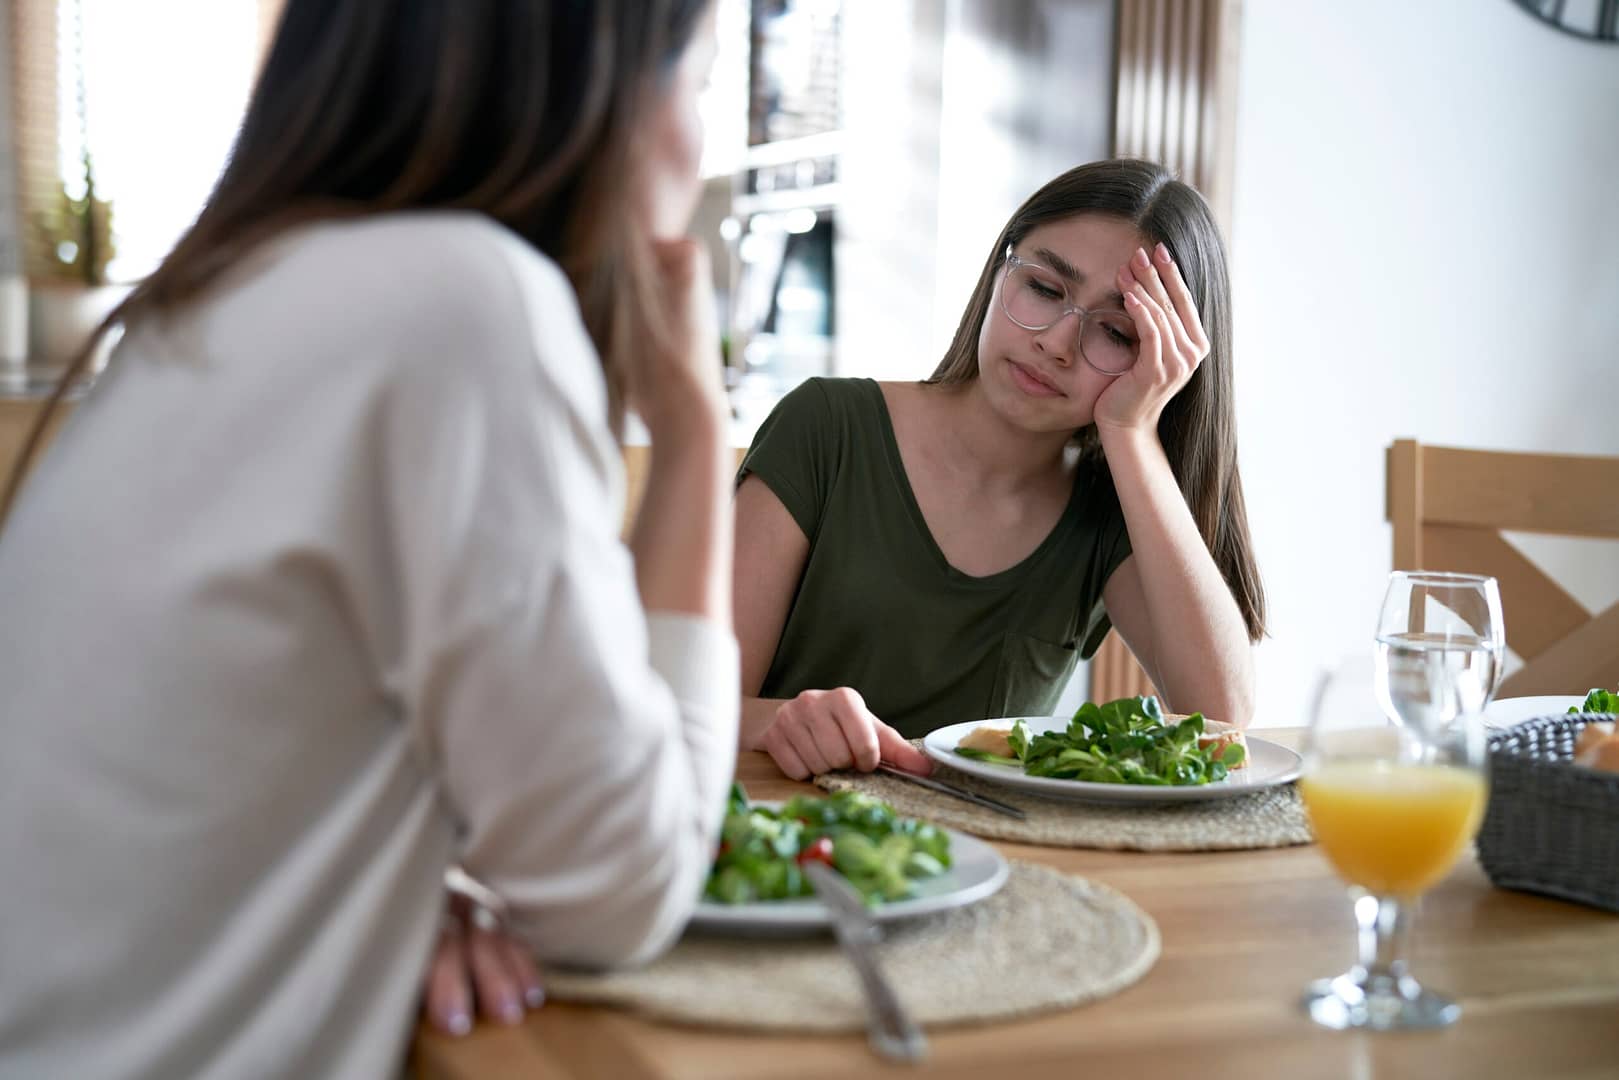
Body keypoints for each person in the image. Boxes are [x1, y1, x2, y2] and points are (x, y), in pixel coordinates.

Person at [0, 2, 736, 1076]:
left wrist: (409, 869)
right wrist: (694, 436)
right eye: (701, 80)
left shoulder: (212, 297)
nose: (698, 143)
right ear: (608, 86)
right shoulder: (462, 306)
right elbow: (623, 887)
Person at [733, 159, 1266, 780]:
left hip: (992, 859)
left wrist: (1132, 434)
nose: (1057, 342)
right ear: (999, 272)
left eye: (1117, 332)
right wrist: (780, 722)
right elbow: (688, 702)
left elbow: (1223, 716)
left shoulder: (1111, 507)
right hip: (781, 840)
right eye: (1044, 289)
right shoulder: (825, 427)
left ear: (1159, 361)